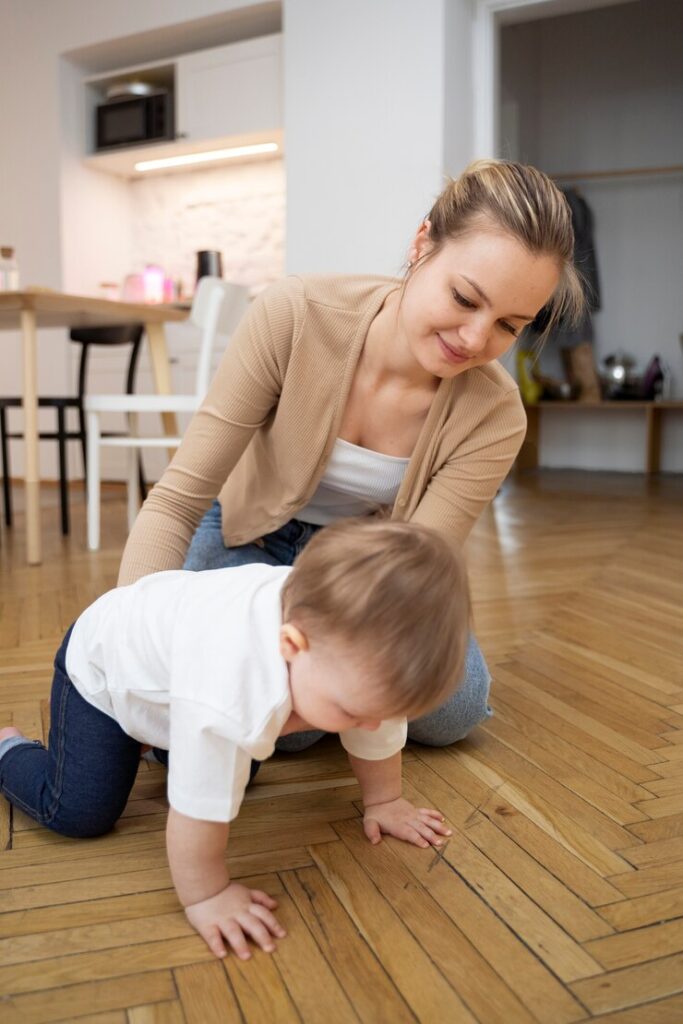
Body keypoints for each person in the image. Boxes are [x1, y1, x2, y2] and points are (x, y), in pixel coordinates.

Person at [118, 159, 585, 751]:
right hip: (249, 532)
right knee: (284, 714)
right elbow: (177, 499)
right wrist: (129, 643)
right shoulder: (293, 314)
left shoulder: (495, 415)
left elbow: (418, 564)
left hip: (371, 564)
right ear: (423, 244)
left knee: (454, 709)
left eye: (508, 326)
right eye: (465, 298)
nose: (474, 339)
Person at [0, 520, 469, 960]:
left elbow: (375, 720)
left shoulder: (347, 648)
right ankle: (9, 749)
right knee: (81, 810)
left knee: (237, 771)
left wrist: (384, 799)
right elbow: (196, 809)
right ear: (291, 645)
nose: (368, 725)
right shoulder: (229, 689)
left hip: (173, 680)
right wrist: (208, 894)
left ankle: (154, 741)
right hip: (104, 674)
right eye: (350, 713)